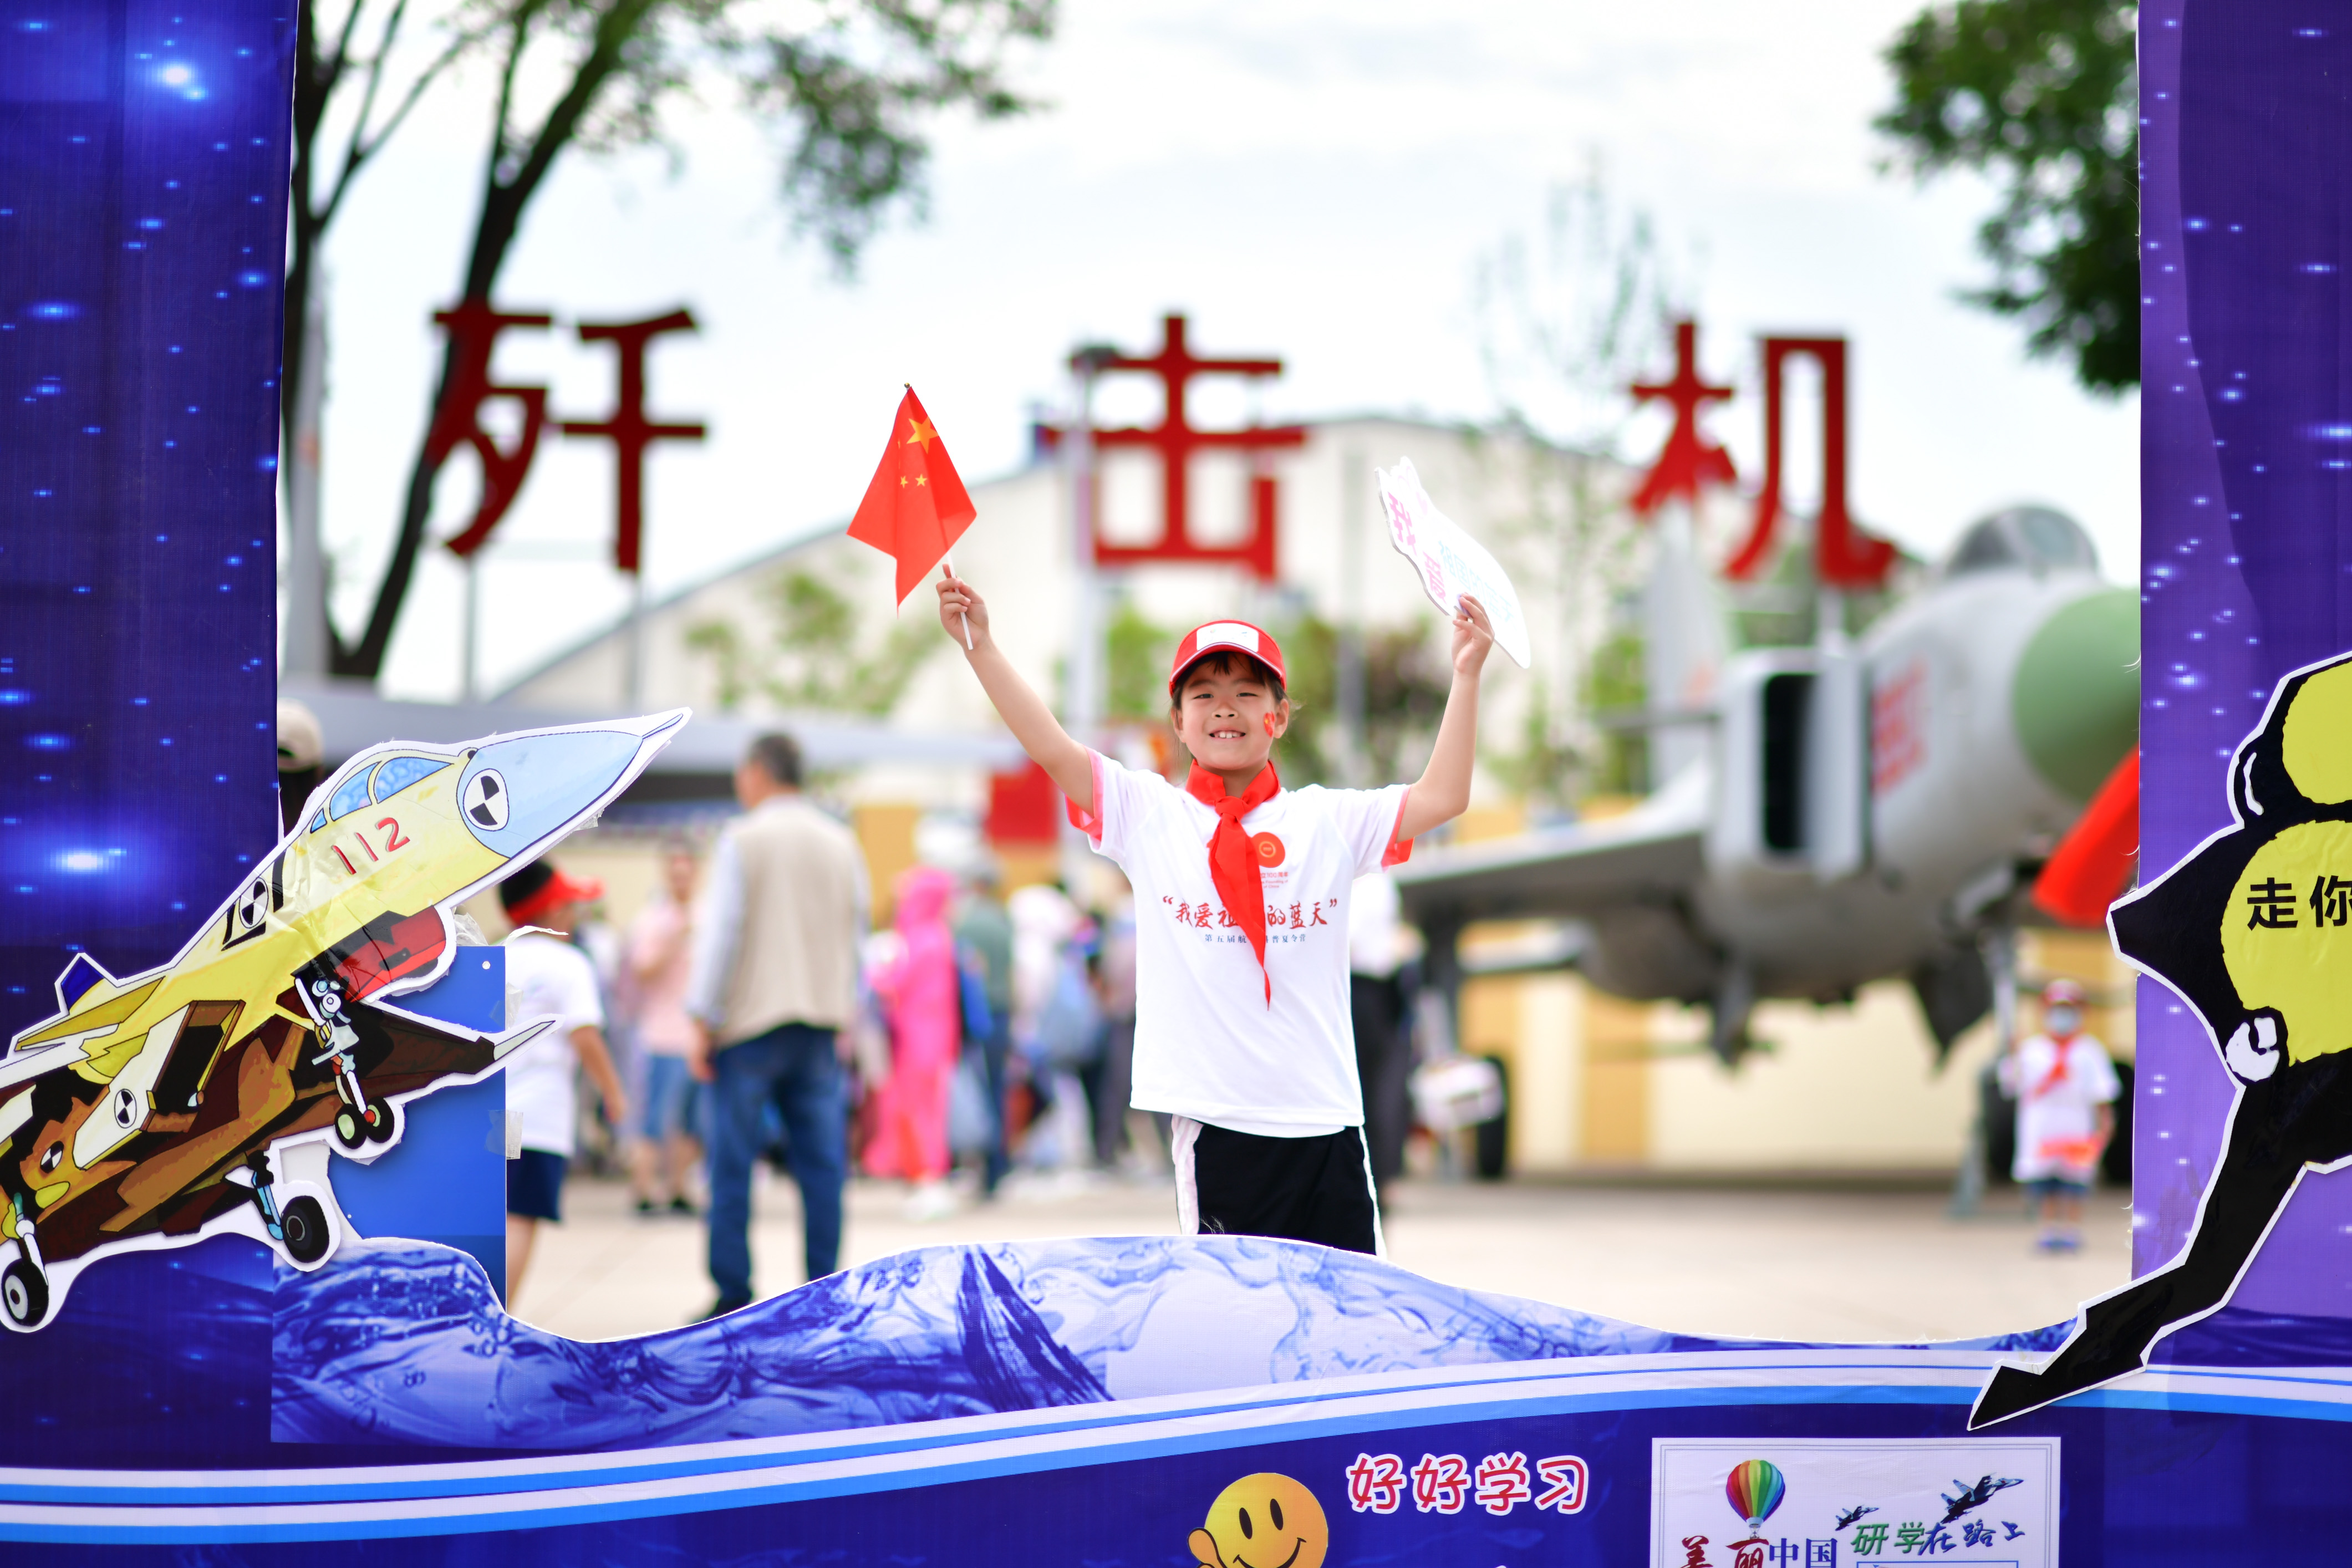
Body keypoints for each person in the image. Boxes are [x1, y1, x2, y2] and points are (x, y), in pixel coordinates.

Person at [933, 573, 1495, 1254]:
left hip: (1327, 1122)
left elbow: (1445, 796)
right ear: (1178, 720)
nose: (1224, 708)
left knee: (1352, 1335)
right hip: (1219, 1127)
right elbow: (1051, 746)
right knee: (1240, 1333)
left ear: (1278, 715)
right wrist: (982, 647)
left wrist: (1465, 674)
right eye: (1203, 694)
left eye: (1246, 694)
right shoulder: (1150, 816)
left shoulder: (1328, 820)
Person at [685, 732, 868, 1318]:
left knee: (733, 1161)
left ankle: (733, 1288)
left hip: (750, 1023)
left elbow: (724, 932)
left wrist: (701, 1014)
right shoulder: (841, 840)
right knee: (822, 1166)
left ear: (759, 772)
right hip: (819, 1021)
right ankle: (824, 1288)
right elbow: (856, 932)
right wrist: (846, 1009)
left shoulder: (744, 837)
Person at [499, 859, 630, 1309]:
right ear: (551, 910)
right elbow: (586, 1035)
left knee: (495, 1214)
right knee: (520, 1217)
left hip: (497, 1113)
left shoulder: (495, 956)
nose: (576, 915)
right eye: (570, 905)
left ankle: (483, 1312)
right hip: (539, 1116)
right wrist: (614, 1093)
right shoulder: (569, 964)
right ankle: (499, 1318)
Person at [864, 866, 963, 1218]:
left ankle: (929, 1180)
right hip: (929, 1039)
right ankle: (924, 1178)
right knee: (925, 1110)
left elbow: (893, 983)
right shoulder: (938, 936)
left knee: (921, 1112)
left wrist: (872, 974)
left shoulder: (922, 939)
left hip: (919, 1041)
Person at [1997, 979, 2118, 1253]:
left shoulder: (2090, 1050)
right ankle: (2049, 1228)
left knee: (2074, 1179)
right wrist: (2012, 1054)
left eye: (2069, 1010)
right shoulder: (2031, 1050)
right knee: (2045, 1182)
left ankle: (2072, 1229)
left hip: (2077, 1124)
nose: (2062, 1017)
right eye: (2056, 1009)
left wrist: (2106, 1124)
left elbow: (2102, 1093)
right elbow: (2010, 1084)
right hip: (2041, 1125)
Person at [626, 844, 703, 1216]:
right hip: (661, 1035)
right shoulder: (653, 920)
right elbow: (642, 972)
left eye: (687, 873)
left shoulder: (708, 918)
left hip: (696, 1037)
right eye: (676, 874)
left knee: (692, 1121)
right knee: (655, 1117)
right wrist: (674, 938)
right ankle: (643, 1190)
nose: (682, 881)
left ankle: (678, 1187)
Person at [1347, 869, 1421, 1194]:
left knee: (1377, 1091)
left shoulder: (1371, 877)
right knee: (1376, 1089)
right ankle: (1376, 1176)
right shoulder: (1375, 878)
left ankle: (1374, 1176)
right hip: (1368, 987)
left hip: (1368, 989)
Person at [952, 859, 1016, 1195]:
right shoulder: (1004, 923)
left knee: (978, 1091)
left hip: (976, 1016)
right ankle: (999, 1166)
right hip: (1003, 1012)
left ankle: (984, 1165)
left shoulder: (965, 925)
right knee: (999, 1089)